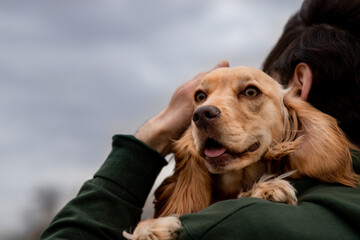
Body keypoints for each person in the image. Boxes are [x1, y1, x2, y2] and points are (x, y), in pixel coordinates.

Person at [39, 0, 360, 239]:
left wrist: (154, 135)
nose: (205, 112)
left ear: (300, 87)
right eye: (202, 98)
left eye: (251, 92)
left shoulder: (231, 226)